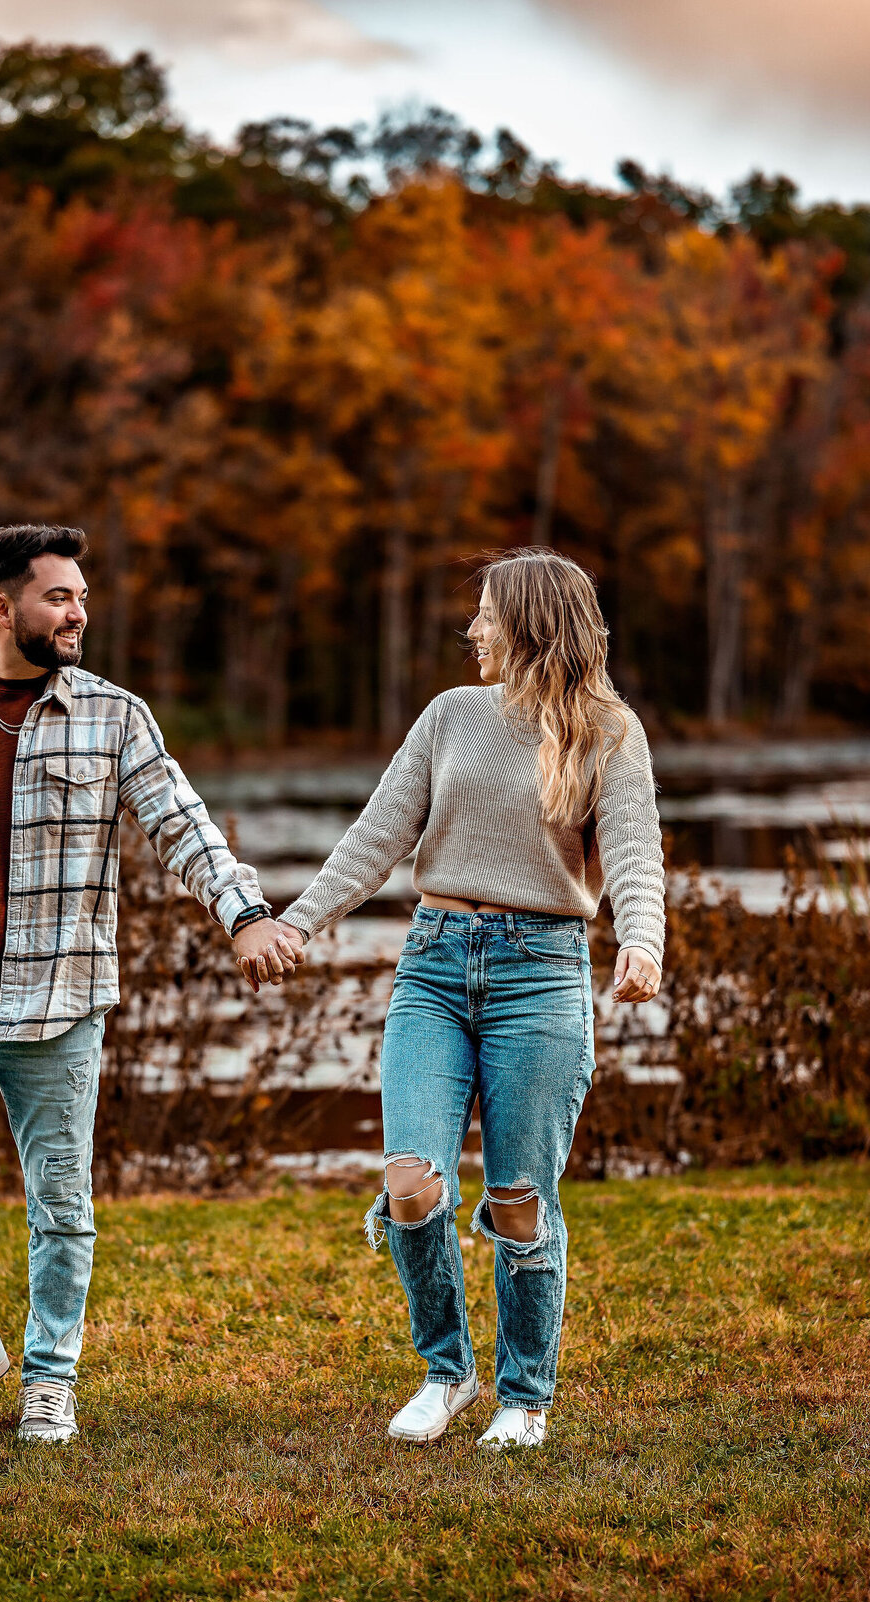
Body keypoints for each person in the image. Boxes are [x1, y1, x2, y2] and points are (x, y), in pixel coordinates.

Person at [0, 523, 300, 1442]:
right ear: (2, 608)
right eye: (60, 597)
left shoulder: (114, 715)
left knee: (61, 1201)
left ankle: (51, 1376)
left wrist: (244, 912)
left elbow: (184, 824)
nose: (78, 613)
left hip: (57, 997)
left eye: (83, 597)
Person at [262, 548, 665, 1449]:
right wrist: (299, 922)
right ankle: (447, 1372)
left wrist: (641, 940)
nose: (472, 630)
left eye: (486, 614)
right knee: (411, 1180)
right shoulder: (448, 716)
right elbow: (378, 835)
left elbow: (635, 850)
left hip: (544, 971)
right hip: (434, 968)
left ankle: (525, 1396)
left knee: (521, 1195)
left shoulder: (609, 730)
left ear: (526, 623)